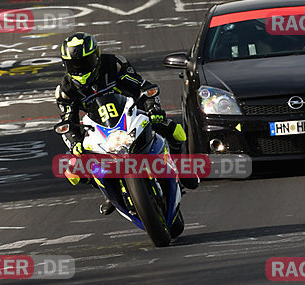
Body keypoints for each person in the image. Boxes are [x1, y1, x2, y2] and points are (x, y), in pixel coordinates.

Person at [55, 32, 198, 215]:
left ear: (96, 57)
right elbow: (67, 121)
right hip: (98, 127)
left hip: (131, 112)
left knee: (175, 130)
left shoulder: (114, 64)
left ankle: (182, 169)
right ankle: (108, 192)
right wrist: (75, 142)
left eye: (85, 62)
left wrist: (153, 108)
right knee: (73, 171)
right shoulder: (65, 90)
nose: (80, 68)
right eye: (74, 65)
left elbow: (142, 86)